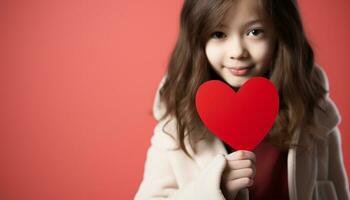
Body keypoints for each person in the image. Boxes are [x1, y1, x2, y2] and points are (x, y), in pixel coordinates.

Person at [134, 0, 350, 199]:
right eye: (218, 34)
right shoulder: (176, 125)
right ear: (196, 40)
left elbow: (337, 191)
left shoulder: (313, 113)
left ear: (280, 34)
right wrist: (214, 187)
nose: (237, 52)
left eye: (255, 32)